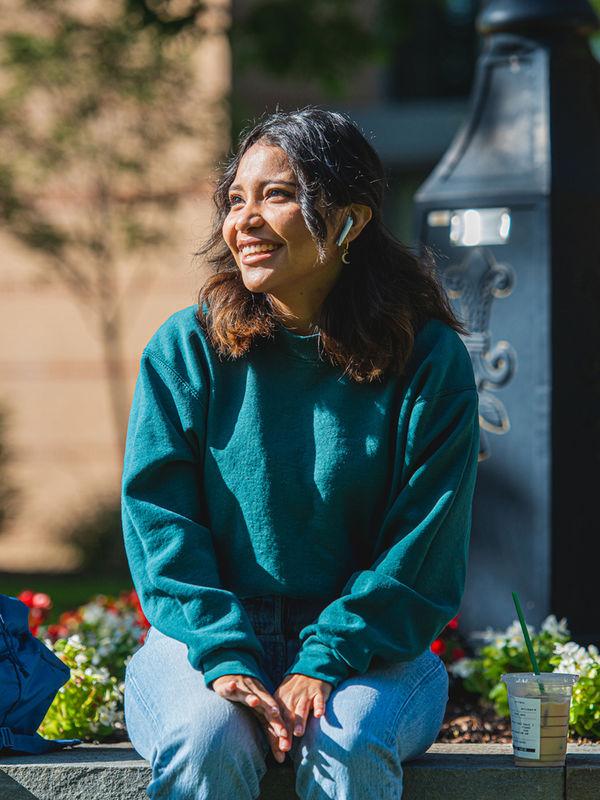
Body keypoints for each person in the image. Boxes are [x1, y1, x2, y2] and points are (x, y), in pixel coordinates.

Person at [121, 107, 480, 800]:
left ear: (349, 221)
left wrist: (326, 658)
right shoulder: (184, 349)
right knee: (206, 741)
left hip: (375, 652)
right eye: (235, 199)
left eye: (276, 195)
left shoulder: (429, 362)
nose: (244, 221)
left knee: (345, 746)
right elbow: (161, 525)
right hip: (203, 640)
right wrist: (226, 654)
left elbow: (420, 552)